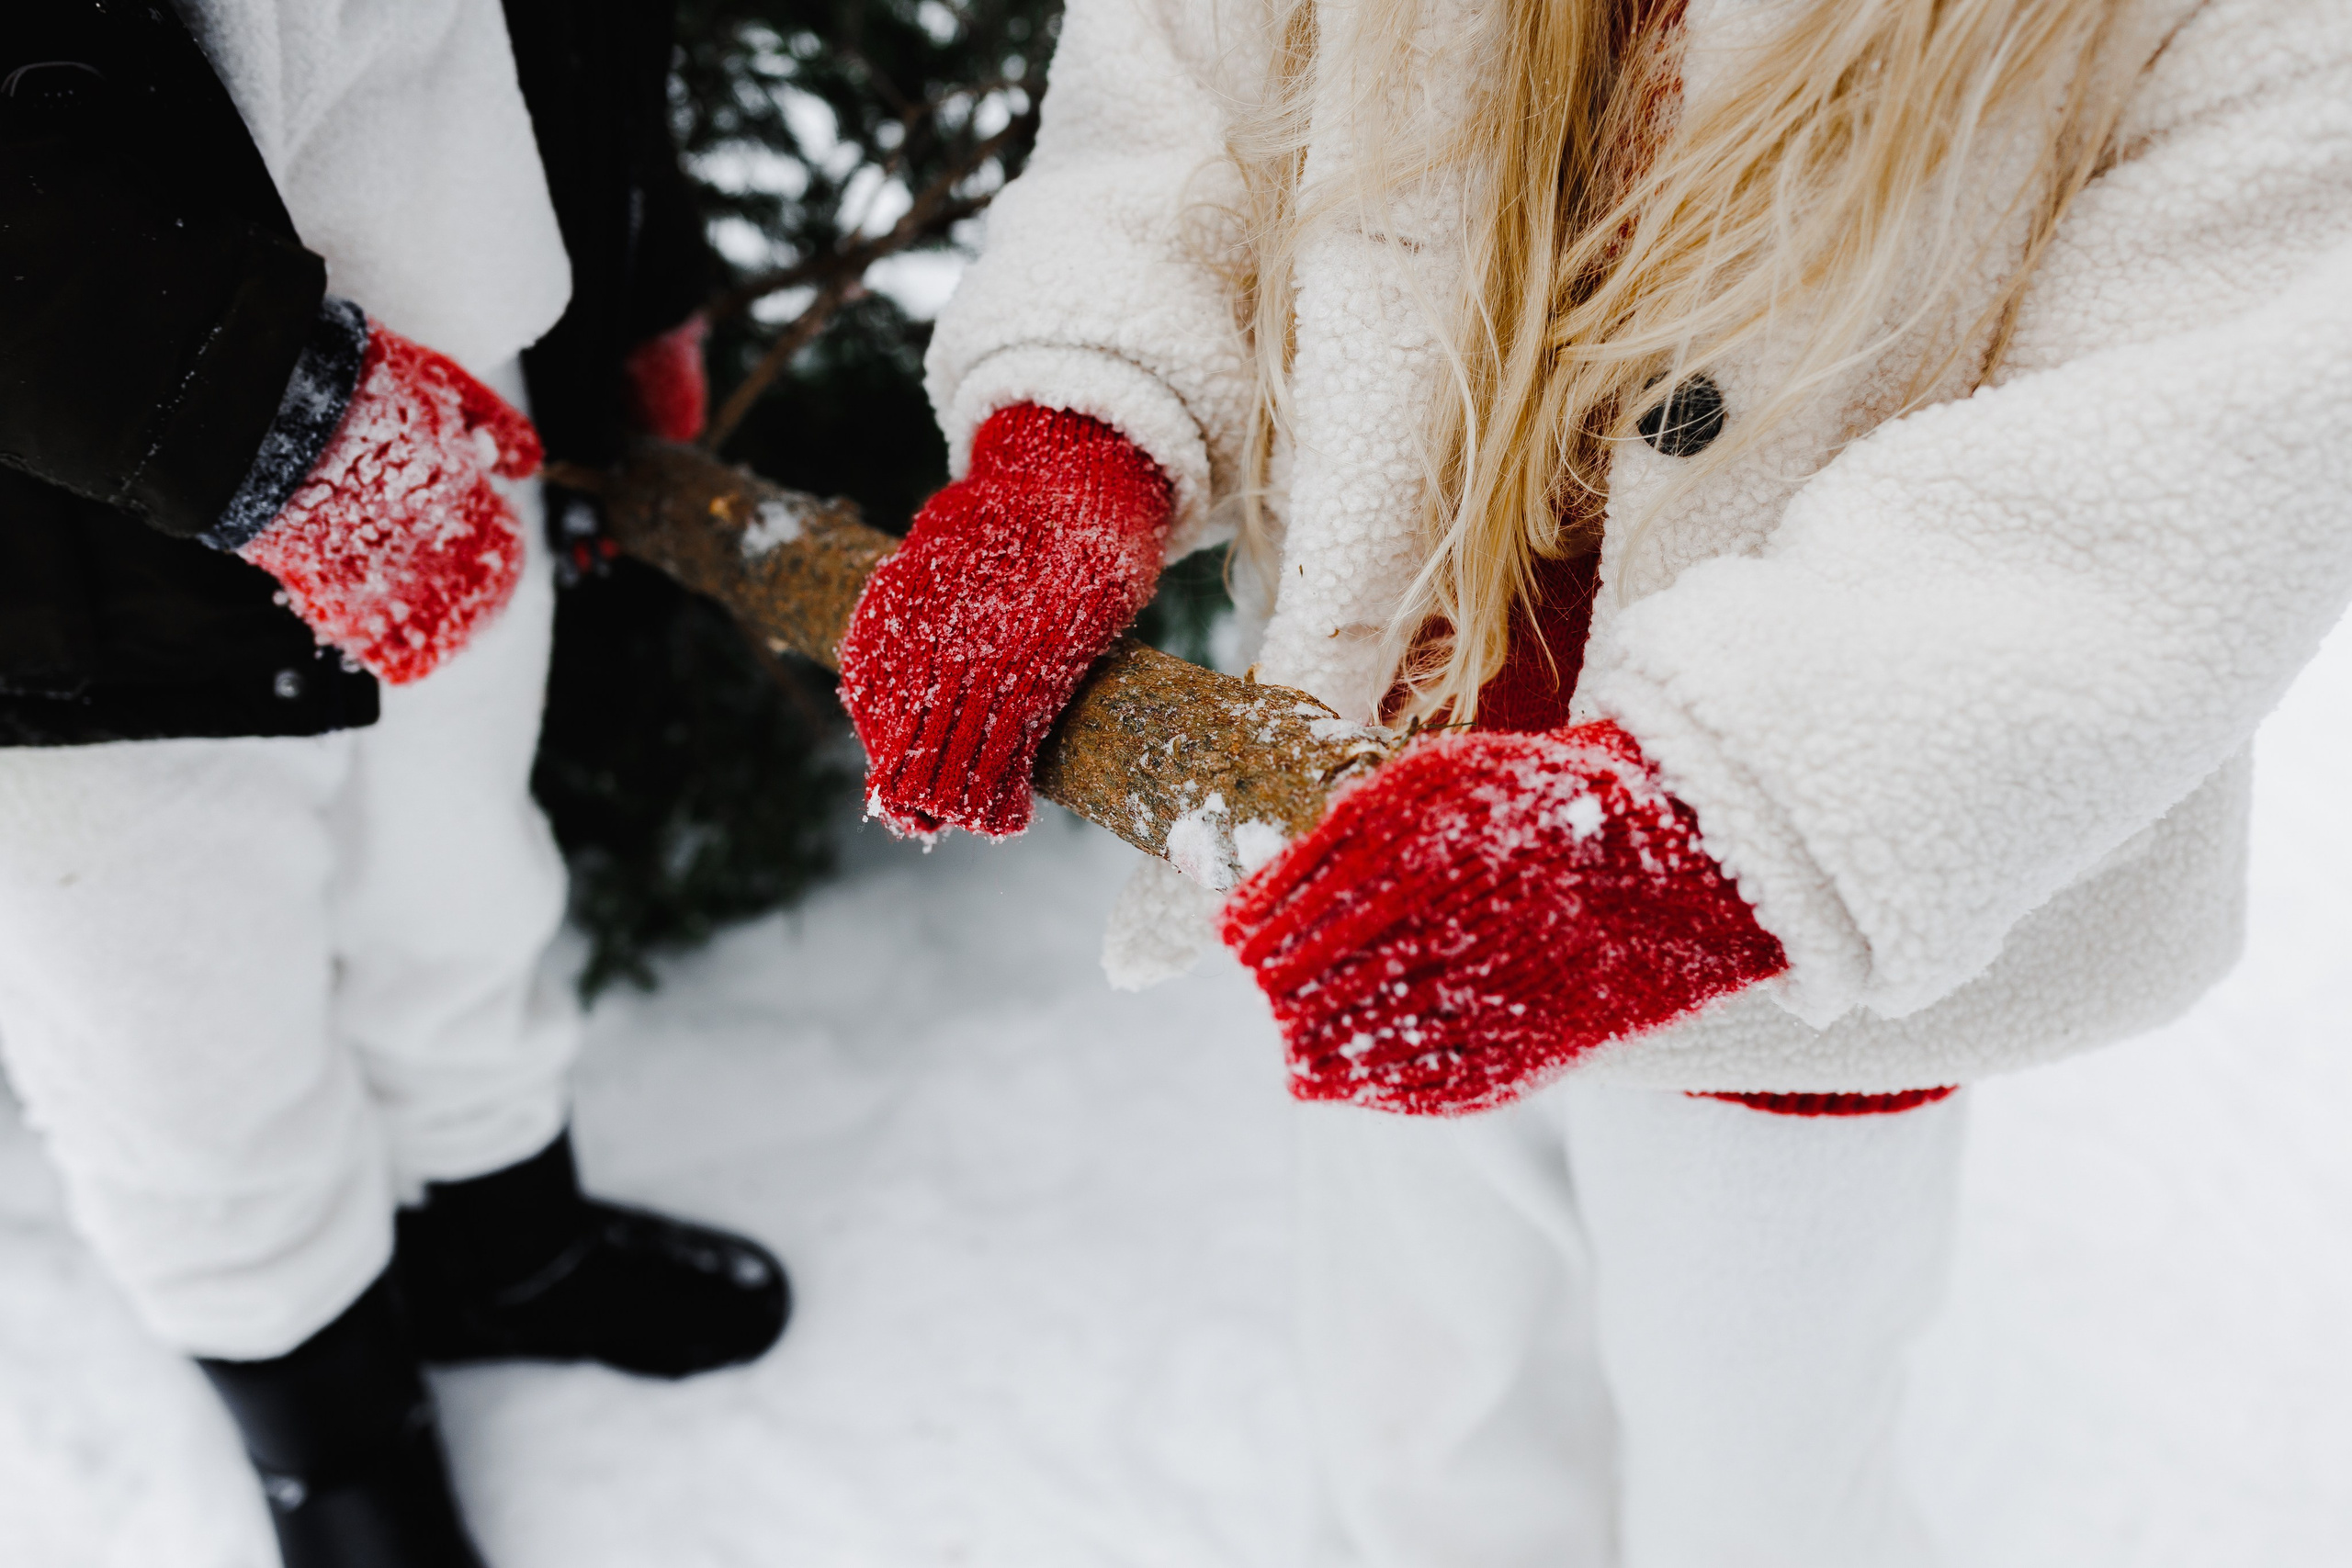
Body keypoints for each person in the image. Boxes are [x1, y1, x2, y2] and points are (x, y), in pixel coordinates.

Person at [837, 0, 2352, 1562]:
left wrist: (1698, 836)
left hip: (1780, 937)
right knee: (1414, 1410)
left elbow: (2196, 427)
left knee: (1757, 1482)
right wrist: (1074, 437)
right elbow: (1193, 72)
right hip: (1381, 818)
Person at [0, 5, 779, 1565]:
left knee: (460, 880)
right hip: (63, 563)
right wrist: (274, 437)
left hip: (445, 356)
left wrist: (633, 269)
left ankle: (509, 1246)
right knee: (178, 1052)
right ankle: (337, 1447)